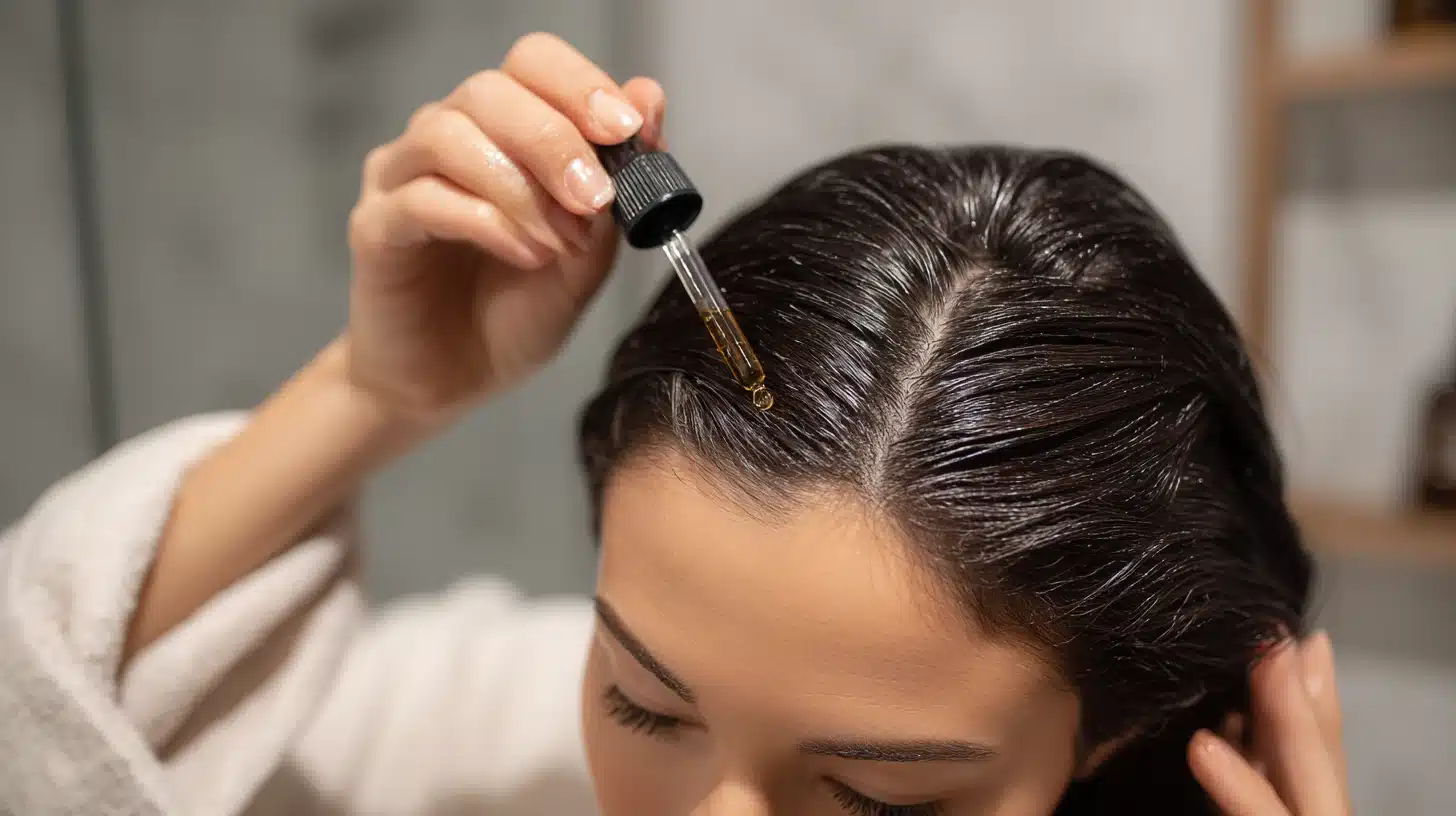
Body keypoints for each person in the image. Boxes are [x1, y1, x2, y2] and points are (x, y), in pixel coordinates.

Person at [0, 32, 1350, 816]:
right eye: (644, 708)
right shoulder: (504, 743)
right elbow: (59, 732)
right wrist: (372, 392)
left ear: (1109, 741)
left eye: (876, 804)